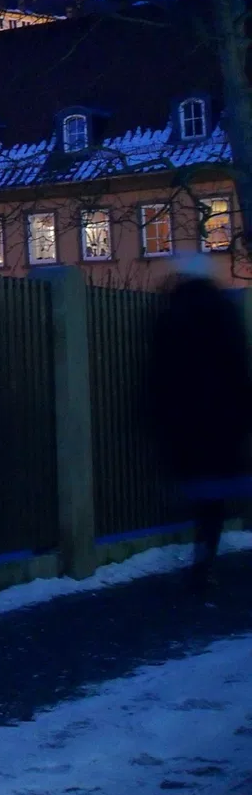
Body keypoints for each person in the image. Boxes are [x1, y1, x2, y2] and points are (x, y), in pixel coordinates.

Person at [148, 251, 252, 591]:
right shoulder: (224, 312)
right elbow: (238, 366)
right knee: (217, 495)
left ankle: (200, 559)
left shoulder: (170, 316)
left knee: (197, 491)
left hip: (184, 421)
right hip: (222, 419)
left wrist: (157, 417)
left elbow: (159, 375)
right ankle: (206, 556)